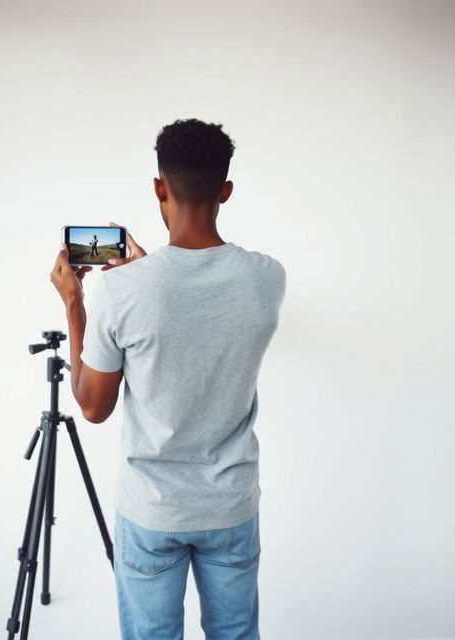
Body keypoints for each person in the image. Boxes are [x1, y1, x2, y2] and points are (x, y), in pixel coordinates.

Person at [50, 117, 286, 640]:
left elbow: (93, 405)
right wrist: (138, 279)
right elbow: (193, 305)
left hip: (153, 511)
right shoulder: (268, 278)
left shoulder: (123, 292)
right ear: (226, 190)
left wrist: (76, 303)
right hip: (231, 505)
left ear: (159, 186)